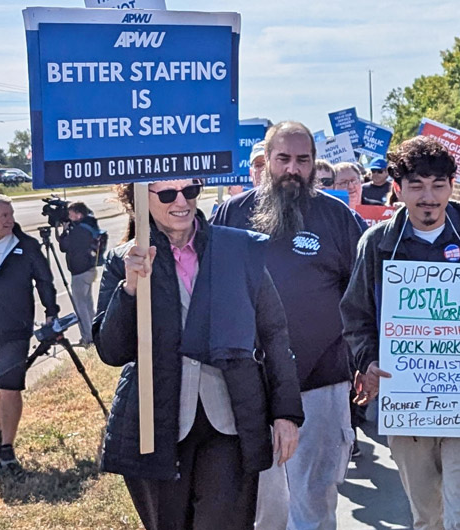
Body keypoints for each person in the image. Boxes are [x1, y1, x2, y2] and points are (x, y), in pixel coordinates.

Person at [94, 180, 303, 529]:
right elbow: (111, 351)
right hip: (157, 424)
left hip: (229, 419)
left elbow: (273, 332)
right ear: (140, 198)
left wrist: (286, 413)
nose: (181, 202)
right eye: (166, 194)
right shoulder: (123, 260)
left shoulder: (236, 250)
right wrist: (129, 288)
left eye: (189, 191)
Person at [340, 136, 460, 529]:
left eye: (438, 185)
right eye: (417, 186)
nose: (428, 196)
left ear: (451, 186)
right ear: (398, 189)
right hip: (404, 402)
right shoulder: (377, 244)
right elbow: (356, 316)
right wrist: (368, 362)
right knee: (426, 516)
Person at [212, 121, 363, 529]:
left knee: (313, 505)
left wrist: (363, 363)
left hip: (322, 384)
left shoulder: (339, 218)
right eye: (284, 159)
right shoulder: (231, 213)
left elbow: (363, 298)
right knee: (261, 510)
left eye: (303, 160)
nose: (293, 169)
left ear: (314, 164)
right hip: (249, 390)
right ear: (267, 161)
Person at [0, 194, 59, 476]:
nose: (9, 220)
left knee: (10, 387)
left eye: (9, 214)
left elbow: (45, 281)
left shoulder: (27, 247)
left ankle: (7, 448)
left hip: (15, 330)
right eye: (2, 216)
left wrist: (51, 312)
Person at [57, 201, 102, 347]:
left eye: (71, 214)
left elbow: (64, 246)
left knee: (80, 306)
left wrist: (63, 231)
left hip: (80, 273)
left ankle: (88, 339)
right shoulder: (89, 225)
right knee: (88, 304)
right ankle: (95, 334)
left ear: (78, 214)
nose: (69, 217)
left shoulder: (79, 231)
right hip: (89, 269)